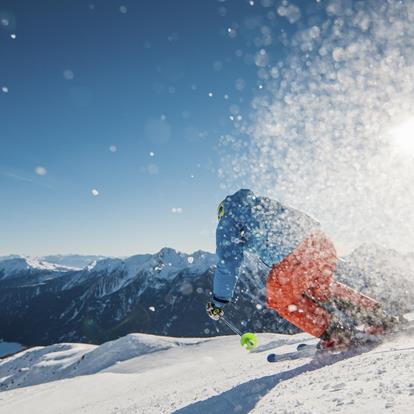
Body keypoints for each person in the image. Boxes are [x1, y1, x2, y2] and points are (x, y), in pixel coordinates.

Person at [206, 189, 396, 350]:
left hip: (295, 256)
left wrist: (219, 301)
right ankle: (379, 318)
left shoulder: (228, 219)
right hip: (320, 242)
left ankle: (337, 334)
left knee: (278, 297)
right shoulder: (259, 203)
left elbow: (228, 262)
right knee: (321, 288)